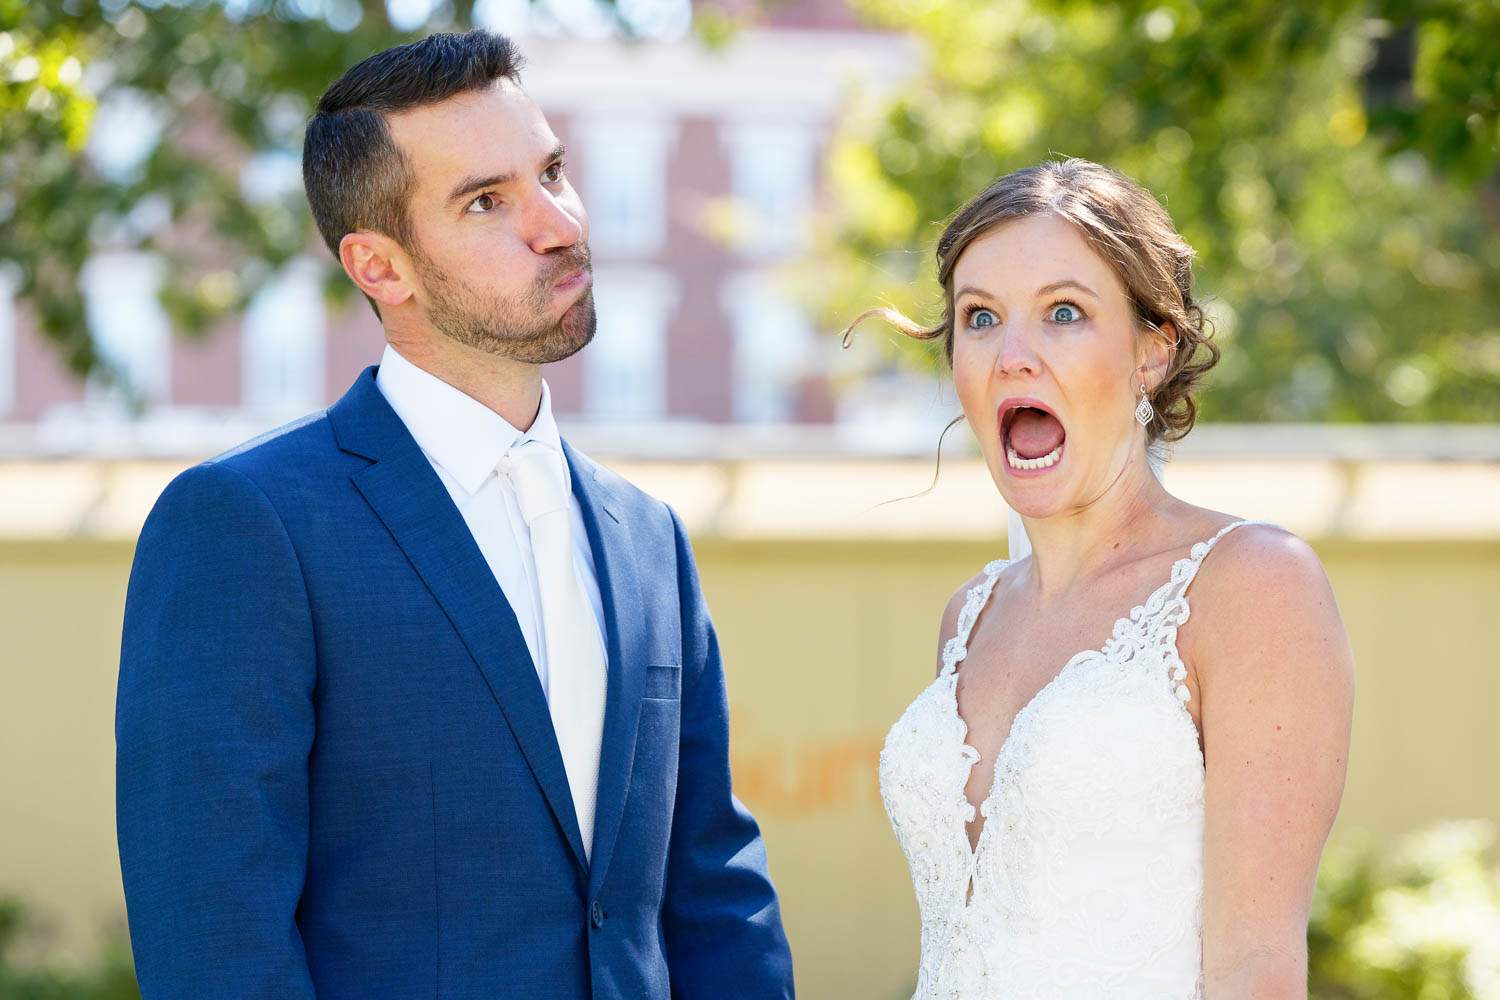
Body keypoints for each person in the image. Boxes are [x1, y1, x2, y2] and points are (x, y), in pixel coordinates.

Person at [115, 30, 793, 1000]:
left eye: (552, 171)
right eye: (488, 201)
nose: (557, 222)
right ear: (379, 266)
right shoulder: (245, 526)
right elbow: (215, 936)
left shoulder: (649, 539)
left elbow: (715, 892)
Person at [859, 158, 1354, 998]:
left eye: (1064, 313)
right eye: (981, 317)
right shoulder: (969, 616)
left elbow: (1256, 965)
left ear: (1151, 354)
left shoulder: (1251, 585)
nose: (1013, 355)